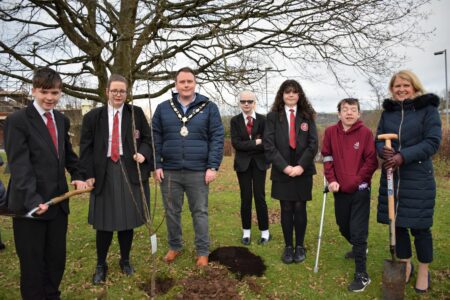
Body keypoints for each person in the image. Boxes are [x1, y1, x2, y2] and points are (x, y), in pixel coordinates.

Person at [4, 67, 87, 299]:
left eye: (55, 93)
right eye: (44, 92)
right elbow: (20, 167)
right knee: (32, 266)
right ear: (34, 91)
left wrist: (78, 174)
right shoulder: (17, 121)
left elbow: (67, 154)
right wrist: (34, 200)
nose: (50, 97)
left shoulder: (61, 120)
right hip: (31, 208)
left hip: (58, 206)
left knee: (55, 260)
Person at [79, 74, 152, 284]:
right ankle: (101, 264)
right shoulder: (93, 117)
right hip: (103, 173)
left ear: (126, 93)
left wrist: (144, 154)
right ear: (107, 92)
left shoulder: (135, 113)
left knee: (127, 221)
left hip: (128, 170)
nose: (118, 94)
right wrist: (88, 174)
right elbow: (86, 148)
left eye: (122, 91)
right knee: (104, 223)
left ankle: (125, 260)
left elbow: (147, 139)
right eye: (114, 91)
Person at [376, 70, 441, 294]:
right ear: (392, 89)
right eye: (397, 86)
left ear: (415, 86)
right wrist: (384, 153)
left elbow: (432, 142)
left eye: (406, 85)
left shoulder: (428, 110)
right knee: (398, 225)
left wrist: (403, 156)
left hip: (418, 178)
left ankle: (423, 270)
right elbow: (379, 138)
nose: (401, 89)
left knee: (421, 228)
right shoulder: (388, 113)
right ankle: (405, 264)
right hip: (392, 176)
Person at [152, 67, 224, 267]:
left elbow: (217, 138)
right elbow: (155, 138)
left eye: (189, 81)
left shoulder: (209, 107)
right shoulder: (163, 108)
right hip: (170, 171)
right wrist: (157, 164)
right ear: (175, 85)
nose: (186, 85)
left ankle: (202, 251)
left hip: (198, 171)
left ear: (195, 83)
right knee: (172, 211)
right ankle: (175, 246)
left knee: (199, 212)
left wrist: (212, 166)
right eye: (182, 82)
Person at [321, 98, 378, 292]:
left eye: (353, 110)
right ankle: (359, 247)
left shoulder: (366, 133)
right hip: (339, 190)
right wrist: (331, 179)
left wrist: (356, 181)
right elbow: (326, 157)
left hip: (360, 190)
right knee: (343, 226)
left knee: (358, 231)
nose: (349, 113)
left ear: (359, 113)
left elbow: (371, 161)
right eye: (345, 110)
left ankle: (362, 275)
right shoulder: (330, 132)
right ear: (339, 114)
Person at [264, 79, 318, 264]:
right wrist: (285, 167)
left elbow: (313, 144)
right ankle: (288, 246)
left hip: (303, 170)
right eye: (287, 92)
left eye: (294, 92)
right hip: (282, 170)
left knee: (300, 207)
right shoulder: (272, 117)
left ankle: (300, 246)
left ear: (299, 95)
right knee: (286, 207)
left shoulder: (307, 115)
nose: (291, 95)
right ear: (282, 95)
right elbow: (269, 145)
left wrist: (300, 166)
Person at [230, 90, 270, 246]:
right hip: (243, 165)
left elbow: (266, 143)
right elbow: (236, 144)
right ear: (239, 103)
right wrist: (255, 143)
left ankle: (265, 232)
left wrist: (250, 145)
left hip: (260, 164)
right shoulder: (235, 121)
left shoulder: (263, 120)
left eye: (249, 101)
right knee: (245, 198)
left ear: (255, 103)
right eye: (243, 101)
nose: (246, 104)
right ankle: (246, 232)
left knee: (260, 197)